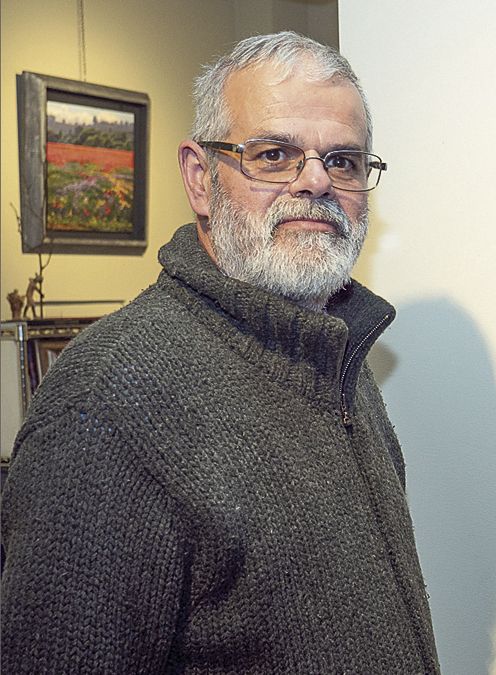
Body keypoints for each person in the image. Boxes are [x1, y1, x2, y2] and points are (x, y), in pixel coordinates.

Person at [0, 32, 440, 673]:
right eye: (274, 153)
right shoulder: (108, 402)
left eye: (343, 160)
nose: (316, 181)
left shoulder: (338, 354)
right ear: (200, 179)